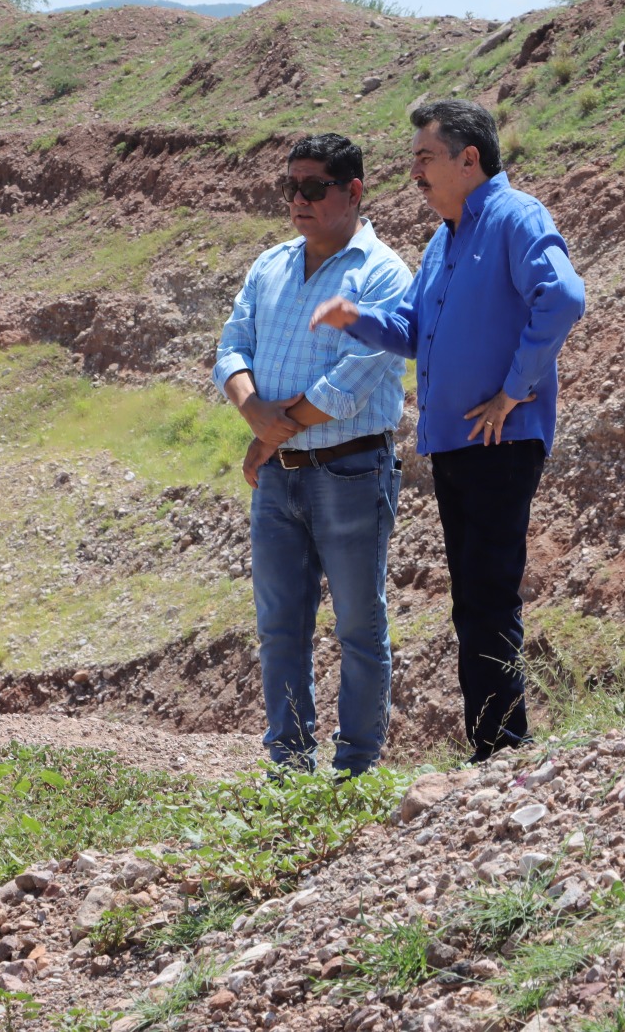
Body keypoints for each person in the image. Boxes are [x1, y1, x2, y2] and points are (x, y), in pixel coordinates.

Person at [310, 99, 586, 764]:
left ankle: (504, 748)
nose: (415, 173)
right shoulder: (443, 240)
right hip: (456, 448)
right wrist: (356, 317)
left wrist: (514, 390)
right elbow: (412, 329)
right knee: (471, 598)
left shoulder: (517, 216)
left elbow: (563, 297)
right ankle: (491, 745)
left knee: (488, 594)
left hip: (500, 441)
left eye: (425, 158)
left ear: (469, 159)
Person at [213, 132, 411, 777]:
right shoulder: (270, 264)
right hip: (280, 476)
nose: (298, 199)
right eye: (291, 186)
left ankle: (356, 768)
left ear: (353, 191)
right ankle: (289, 766)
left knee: (358, 626)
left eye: (314, 187)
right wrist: (251, 408)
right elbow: (231, 347)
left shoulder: (382, 273)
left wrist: (265, 434)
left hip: (350, 471)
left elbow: (348, 386)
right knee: (280, 626)